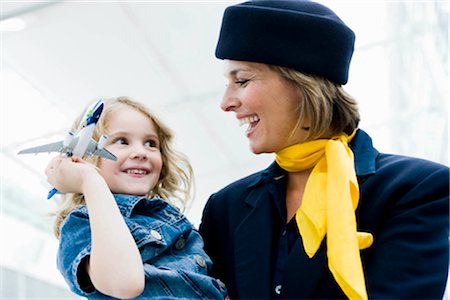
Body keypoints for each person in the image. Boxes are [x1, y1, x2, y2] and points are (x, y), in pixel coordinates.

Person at [199, 1, 449, 299]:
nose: (226, 103)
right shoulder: (226, 208)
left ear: (302, 82)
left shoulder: (413, 190)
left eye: (241, 80)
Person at [47, 97, 227, 299]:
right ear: (86, 155)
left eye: (151, 143)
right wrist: (90, 181)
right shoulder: (82, 224)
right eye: (122, 141)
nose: (141, 152)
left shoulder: (169, 219)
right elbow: (125, 284)